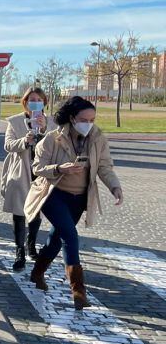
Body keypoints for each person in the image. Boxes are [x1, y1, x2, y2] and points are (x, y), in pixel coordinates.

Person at [24, 96, 122, 309]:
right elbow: (37, 167)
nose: (88, 124)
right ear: (71, 118)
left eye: (92, 119)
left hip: (79, 198)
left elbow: (105, 166)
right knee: (70, 235)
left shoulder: (97, 139)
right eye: (83, 119)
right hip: (53, 194)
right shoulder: (52, 138)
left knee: (57, 239)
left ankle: (37, 272)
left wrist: (115, 187)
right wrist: (60, 168)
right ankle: (78, 290)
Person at [3, 87, 56, 271]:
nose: (35, 102)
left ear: (44, 102)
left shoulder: (52, 123)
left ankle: (31, 244)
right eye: (31, 99)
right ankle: (19, 252)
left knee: (35, 212)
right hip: (21, 171)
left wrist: (43, 128)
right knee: (19, 213)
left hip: (42, 173)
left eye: (39, 99)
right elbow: (8, 145)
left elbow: (57, 145)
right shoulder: (16, 122)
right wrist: (24, 141)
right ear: (25, 102)